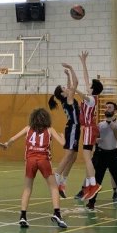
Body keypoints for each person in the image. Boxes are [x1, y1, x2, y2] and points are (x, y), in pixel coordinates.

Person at [4, 108, 68, 229]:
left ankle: (23, 216)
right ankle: (57, 213)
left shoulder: (28, 128)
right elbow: (63, 144)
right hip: (44, 160)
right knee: (54, 187)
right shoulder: (49, 129)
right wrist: (63, 137)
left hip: (30, 160)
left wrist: (7, 144)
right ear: (46, 119)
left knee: (27, 188)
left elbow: (12, 139)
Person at [86, 101, 117, 210]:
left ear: (115, 111)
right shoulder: (100, 125)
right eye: (106, 107)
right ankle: (92, 202)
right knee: (98, 178)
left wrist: (115, 130)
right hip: (102, 153)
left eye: (110, 107)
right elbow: (94, 139)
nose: (107, 109)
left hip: (113, 153)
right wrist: (96, 140)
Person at [48, 63, 80, 198]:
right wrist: (72, 68)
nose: (67, 88)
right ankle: (55, 178)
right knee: (68, 155)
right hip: (72, 127)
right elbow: (76, 83)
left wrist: (67, 76)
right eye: (64, 88)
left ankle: (62, 183)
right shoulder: (69, 99)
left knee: (73, 157)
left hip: (74, 128)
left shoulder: (66, 99)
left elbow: (70, 87)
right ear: (63, 93)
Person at [75, 50, 104, 200]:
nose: (88, 85)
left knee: (87, 158)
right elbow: (86, 79)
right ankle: (87, 185)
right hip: (89, 129)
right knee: (88, 159)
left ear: (93, 89)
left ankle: (93, 184)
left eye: (90, 85)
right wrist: (83, 63)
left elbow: (82, 94)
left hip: (88, 129)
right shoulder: (92, 96)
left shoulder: (91, 99)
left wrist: (73, 89)